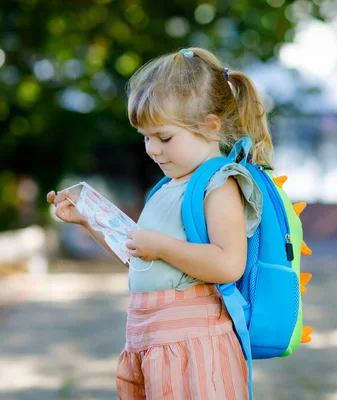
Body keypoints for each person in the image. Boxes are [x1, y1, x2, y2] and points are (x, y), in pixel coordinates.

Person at [47, 47, 274, 399]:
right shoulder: (168, 186)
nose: (152, 149)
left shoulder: (218, 184)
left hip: (192, 346)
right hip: (151, 341)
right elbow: (138, 254)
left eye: (164, 137)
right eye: (145, 138)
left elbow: (229, 264)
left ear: (210, 127)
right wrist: (89, 221)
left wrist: (162, 246)